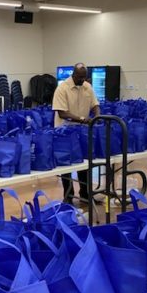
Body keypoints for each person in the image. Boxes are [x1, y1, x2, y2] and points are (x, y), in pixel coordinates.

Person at [52, 63, 100, 204]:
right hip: (64, 132)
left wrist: (97, 116)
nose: (82, 80)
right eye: (80, 77)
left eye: (84, 77)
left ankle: (85, 194)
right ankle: (68, 197)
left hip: (82, 131)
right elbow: (62, 112)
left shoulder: (87, 87)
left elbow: (95, 104)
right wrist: (82, 119)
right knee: (66, 166)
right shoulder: (62, 88)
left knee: (85, 163)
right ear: (73, 75)